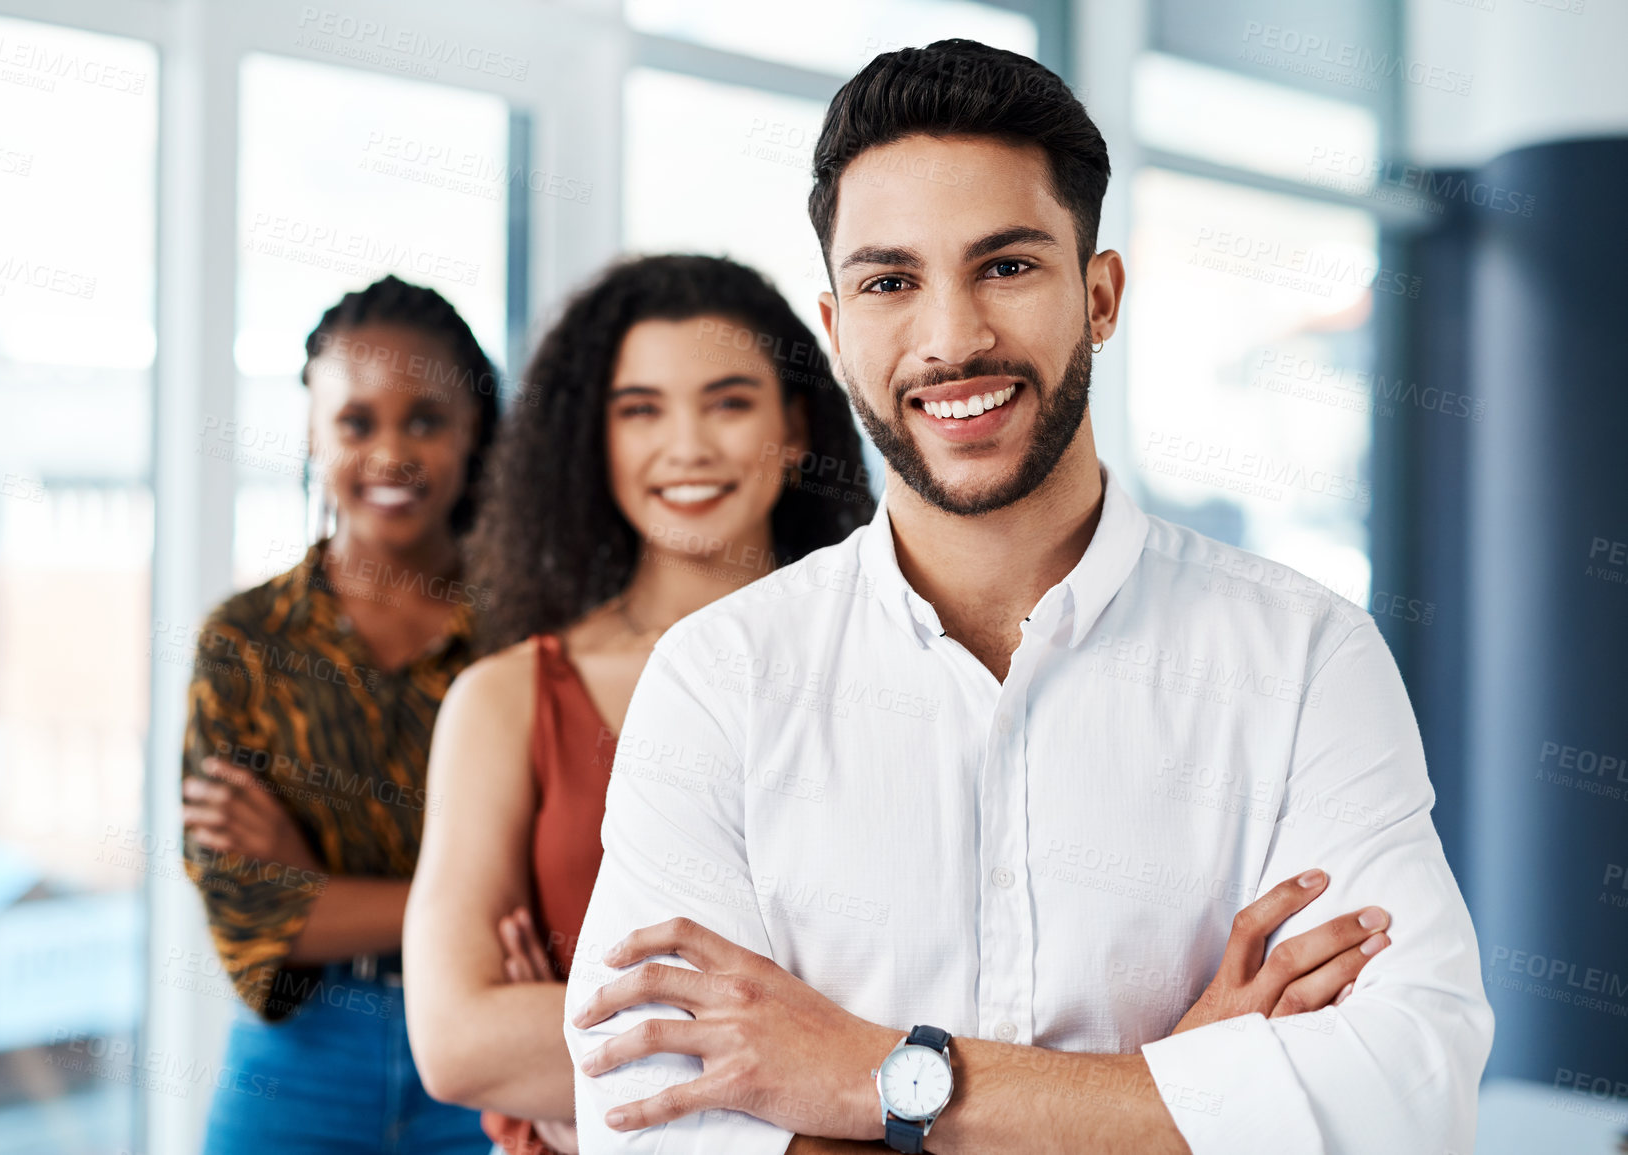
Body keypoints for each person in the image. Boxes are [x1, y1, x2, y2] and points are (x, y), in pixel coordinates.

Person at [562, 41, 1493, 1155]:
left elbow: (1403, 1099)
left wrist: (878, 1082)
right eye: (889, 282)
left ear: (1099, 296)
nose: (951, 339)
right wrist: (1179, 1089)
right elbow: (649, 1128)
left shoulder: (1306, 660)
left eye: (1006, 266)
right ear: (836, 327)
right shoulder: (721, 679)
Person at [402, 254, 877, 1154]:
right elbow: (457, 1040)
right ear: (596, 440)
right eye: (640, 409)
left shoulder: (889, 668)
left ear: (794, 427)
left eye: (730, 401)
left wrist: (594, 1062)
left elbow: (957, 1009)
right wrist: (831, 1063)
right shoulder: (505, 699)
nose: (688, 444)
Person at [180, 275, 501, 1154]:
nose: (391, 452)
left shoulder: (525, 639)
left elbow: (557, 894)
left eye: (425, 420)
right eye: (357, 422)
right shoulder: (245, 641)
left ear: (474, 432)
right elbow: (251, 910)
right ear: (314, 435)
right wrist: (461, 900)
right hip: (302, 1056)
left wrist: (313, 889)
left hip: (493, 1036)